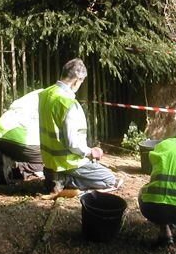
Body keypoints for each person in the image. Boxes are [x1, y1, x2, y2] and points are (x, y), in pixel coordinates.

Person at [38, 58, 121, 193]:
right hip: (68, 162)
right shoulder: (68, 104)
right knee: (109, 179)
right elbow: (73, 144)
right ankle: (64, 179)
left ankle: (54, 177)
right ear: (78, 79)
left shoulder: (45, 94)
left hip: (49, 161)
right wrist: (91, 152)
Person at [0, 89, 45, 183]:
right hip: (18, 138)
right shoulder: (53, 99)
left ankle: (11, 162)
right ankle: (16, 165)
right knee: (51, 155)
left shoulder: (33, 96)